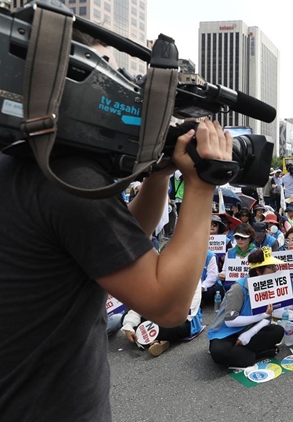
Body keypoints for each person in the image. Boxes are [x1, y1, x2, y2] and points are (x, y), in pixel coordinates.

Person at [0, 43, 233, 418]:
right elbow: (169, 306)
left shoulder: (24, 163)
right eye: (104, 70)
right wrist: (204, 184)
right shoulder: (69, 181)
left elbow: (112, 248)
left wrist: (156, 177)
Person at [207, 248, 285, 368]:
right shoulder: (238, 288)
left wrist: (249, 333)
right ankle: (256, 354)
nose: (276, 270)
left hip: (249, 328)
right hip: (226, 333)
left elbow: (267, 317)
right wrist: (261, 316)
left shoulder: (268, 284)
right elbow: (230, 321)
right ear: (259, 271)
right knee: (219, 352)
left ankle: (244, 354)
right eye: (272, 267)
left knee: (277, 331)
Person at [122, 279, 203, 357]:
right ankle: (153, 340)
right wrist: (129, 325)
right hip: (156, 315)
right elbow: (140, 305)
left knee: (176, 327)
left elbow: (187, 313)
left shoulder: (191, 275)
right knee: (126, 316)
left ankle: (147, 338)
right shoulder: (153, 275)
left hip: (181, 319)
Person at [220, 224, 257, 292]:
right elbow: (225, 270)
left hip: (250, 287)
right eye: (237, 237)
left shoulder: (256, 253)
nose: (240, 240)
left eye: (243, 238)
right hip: (232, 286)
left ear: (250, 238)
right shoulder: (230, 252)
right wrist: (222, 275)